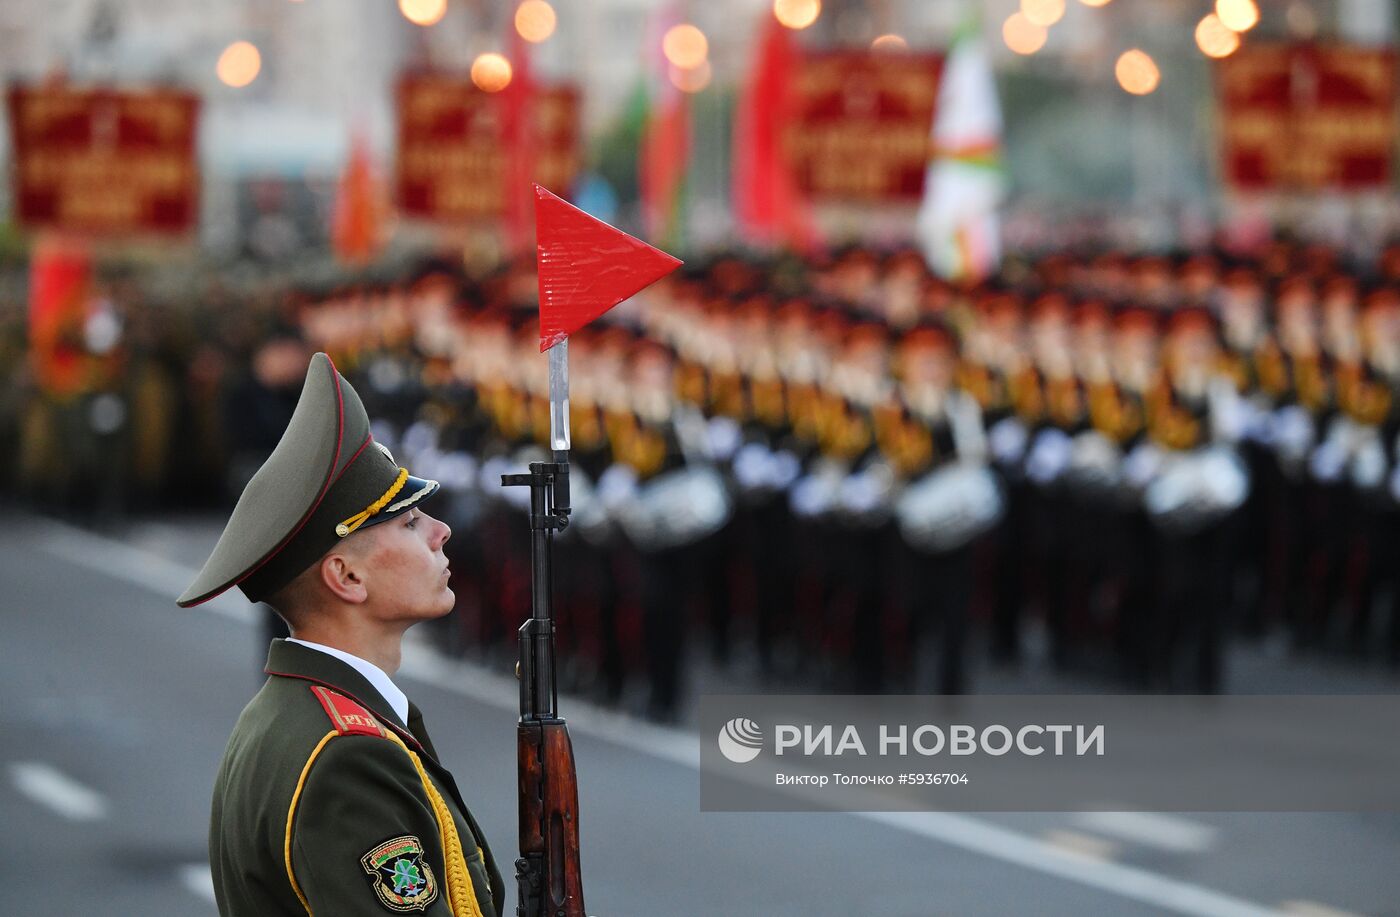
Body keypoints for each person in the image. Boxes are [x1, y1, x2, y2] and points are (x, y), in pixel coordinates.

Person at [178, 352, 504, 917]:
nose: (440, 530)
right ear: (347, 576)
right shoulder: (348, 756)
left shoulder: (297, 714)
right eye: (407, 522)